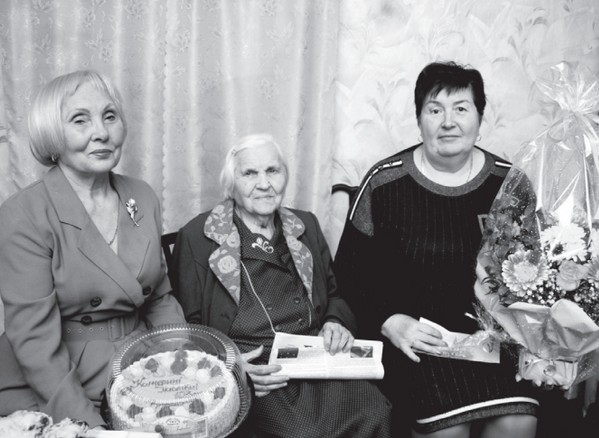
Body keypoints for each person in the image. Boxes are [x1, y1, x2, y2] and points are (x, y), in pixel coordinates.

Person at [334, 61, 539, 438]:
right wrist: (390, 321)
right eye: (435, 110)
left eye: (461, 108)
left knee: (517, 423)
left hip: (494, 342)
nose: (448, 122)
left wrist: (538, 339)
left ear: (479, 117)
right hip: (415, 340)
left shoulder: (509, 183)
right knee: (449, 431)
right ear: (419, 119)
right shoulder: (384, 183)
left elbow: (533, 273)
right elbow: (349, 271)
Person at [170, 133, 391, 438]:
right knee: (303, 433)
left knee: (377, 410)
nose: (264, 184)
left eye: (272, 171)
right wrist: (230, 366)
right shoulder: (198, 236)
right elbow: (188, 328)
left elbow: (334, 295)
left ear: (285, 176)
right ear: (231, 184)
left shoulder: (305, 225)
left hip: (314, 353)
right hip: (256, 368)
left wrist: (334, 322)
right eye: (250, 173)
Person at [0, 70, 186, 428]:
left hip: (135, 361)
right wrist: (88, 427)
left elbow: (159, 298)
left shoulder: (142, 195)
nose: (101, 132)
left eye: (110, 116)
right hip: (53, 380)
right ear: (52, 134)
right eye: (80, 120)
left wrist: (180, 365)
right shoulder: (22, 215)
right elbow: (36, 344)